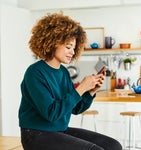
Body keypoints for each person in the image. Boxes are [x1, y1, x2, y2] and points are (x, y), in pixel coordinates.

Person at [18, 13, 122, 150]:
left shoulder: (63, 72)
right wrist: (81, 88)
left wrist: (90, 92)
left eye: (74, 48)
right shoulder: (35, 72)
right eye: (68, 47)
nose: (72, 52)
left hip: (59, 131)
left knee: (113, 146)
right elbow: (51, 113)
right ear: (52, 42)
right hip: (35, 134)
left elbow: (75, 108)